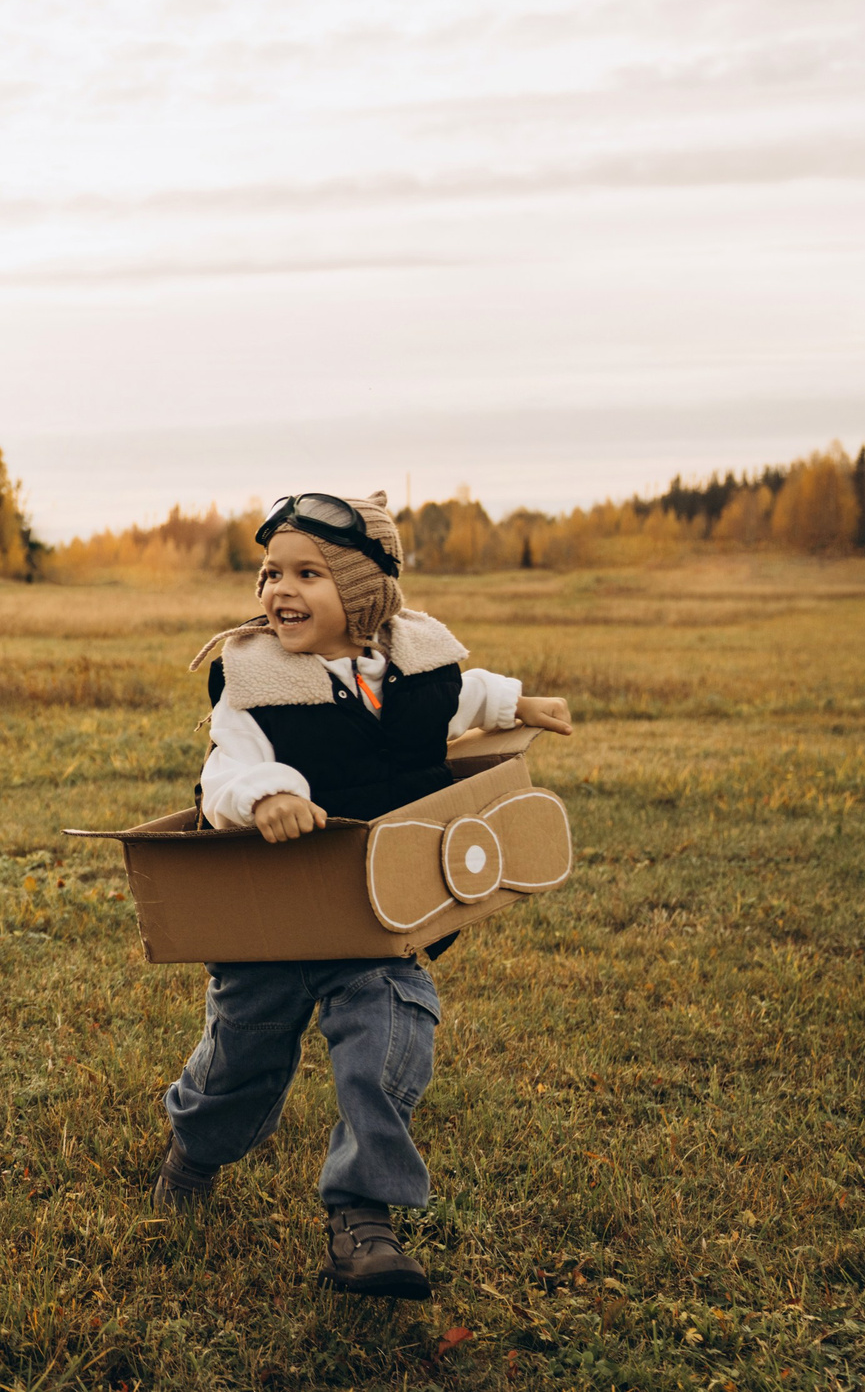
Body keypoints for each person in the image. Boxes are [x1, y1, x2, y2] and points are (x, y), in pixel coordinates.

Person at [158, 491, 573, 1298]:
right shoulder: (251, 680)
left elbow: (459, 697)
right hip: (273, 924)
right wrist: (269, 793)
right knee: (241, 1066)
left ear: (364, 589)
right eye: (270, 573)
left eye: (307, 573)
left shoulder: (413, 663)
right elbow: (225, 771)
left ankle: (362, 1216)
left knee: (387, 1045)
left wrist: (516, 702)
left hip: (380, 917)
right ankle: (194, 1151)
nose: (279, 589)